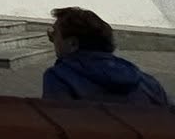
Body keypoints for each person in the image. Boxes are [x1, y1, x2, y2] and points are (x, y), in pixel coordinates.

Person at [42, 7, 171, 108]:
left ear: (72, 44)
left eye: (54, 34)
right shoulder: (147, 82)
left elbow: (56, 124)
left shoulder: (59, 78)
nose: (51, 40)